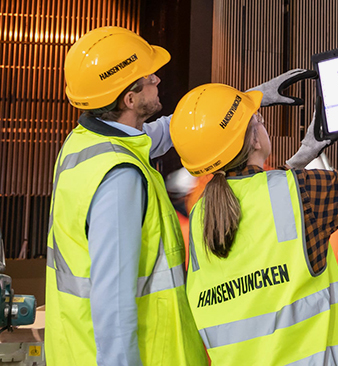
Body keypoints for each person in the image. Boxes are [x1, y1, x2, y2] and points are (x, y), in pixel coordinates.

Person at [45, 26, 314, 365]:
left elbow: (169, 131)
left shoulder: (87, 143)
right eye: (148, 77)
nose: (157, 79)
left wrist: (243, 103)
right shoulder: (118, 178)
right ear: (130, 99)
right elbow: (112, 301)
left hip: (79, 346)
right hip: (146, 353)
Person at [170, 83, 338, 365]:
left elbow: (259, 197)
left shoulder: (202, 212)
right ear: (254, 141)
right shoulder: (299, 193)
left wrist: (304, 154)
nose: (264, 126)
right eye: (260, 121)